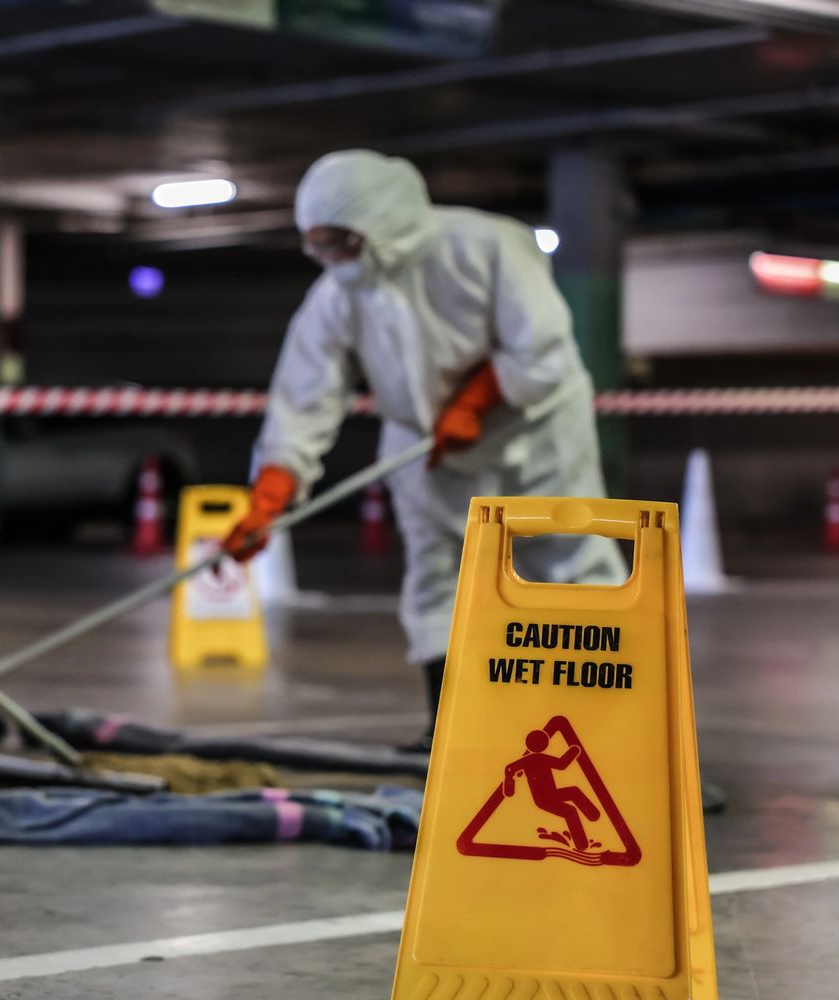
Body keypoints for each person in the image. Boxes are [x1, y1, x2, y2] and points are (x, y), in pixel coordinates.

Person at [224, 149, 627, 747]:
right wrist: (275, 486)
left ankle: (601, 727)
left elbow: (542, 350)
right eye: (316, 247)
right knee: (436, 577)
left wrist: (476, 402)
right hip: (423, 447)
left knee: (566, 567)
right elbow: (305, 392)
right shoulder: (341, 292)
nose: (330, 260)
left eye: (338, 241)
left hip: (533, 439)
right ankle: (450, 729)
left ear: (379, 221)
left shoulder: (484, 246)